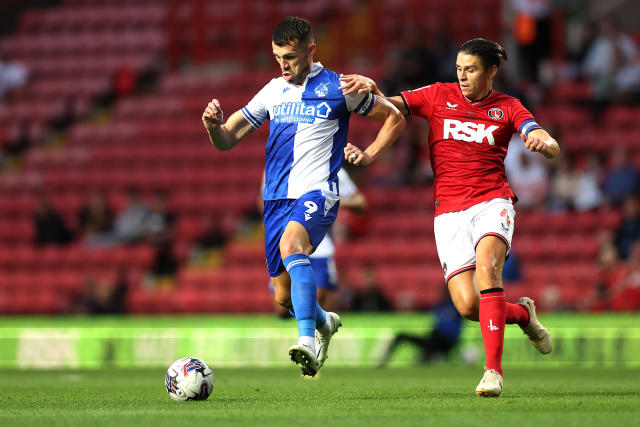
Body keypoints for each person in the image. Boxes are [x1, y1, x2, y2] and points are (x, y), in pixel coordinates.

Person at [340, 38, 560, 397]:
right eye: (459, 68)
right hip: (448, 212)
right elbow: (389, 109)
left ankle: (493, 372)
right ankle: (523, 316)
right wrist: (374, 89)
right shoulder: (438, 94)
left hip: (493, 202)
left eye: (471, 69)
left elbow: (539, 134)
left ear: (492, 71)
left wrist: (545, 144)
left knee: (488, 270)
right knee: (468, 306)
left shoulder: (508, 106)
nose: (462, 76)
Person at [201, 17, 405, 377]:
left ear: (311, 50)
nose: (283, 64)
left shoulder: (341, 87)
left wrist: (370, 154)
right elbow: (227, 140)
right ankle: (324, 322)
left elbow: (394, 118)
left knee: (293, 246)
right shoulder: (272, 91)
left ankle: (307, 342)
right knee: (282, 297)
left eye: (291, 57)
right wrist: (213, 127)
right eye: (278, 56)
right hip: (276, 200)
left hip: (318, 193)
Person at [267, 167, 367, 318]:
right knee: (282, 308)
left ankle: (311, 336)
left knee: (315, 304)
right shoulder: (283, 163)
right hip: (287, 244)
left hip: (320, 247)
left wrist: (330, 200)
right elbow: (264, 198)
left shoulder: (333, 169)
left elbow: (360, 202)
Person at [378, 289, 461, 366]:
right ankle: (384, 360)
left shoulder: (457, 305)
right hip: (435, 340)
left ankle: (424, 360)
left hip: (446, 342)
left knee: (430, 344)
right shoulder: (439, 306)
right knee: (403, 337)